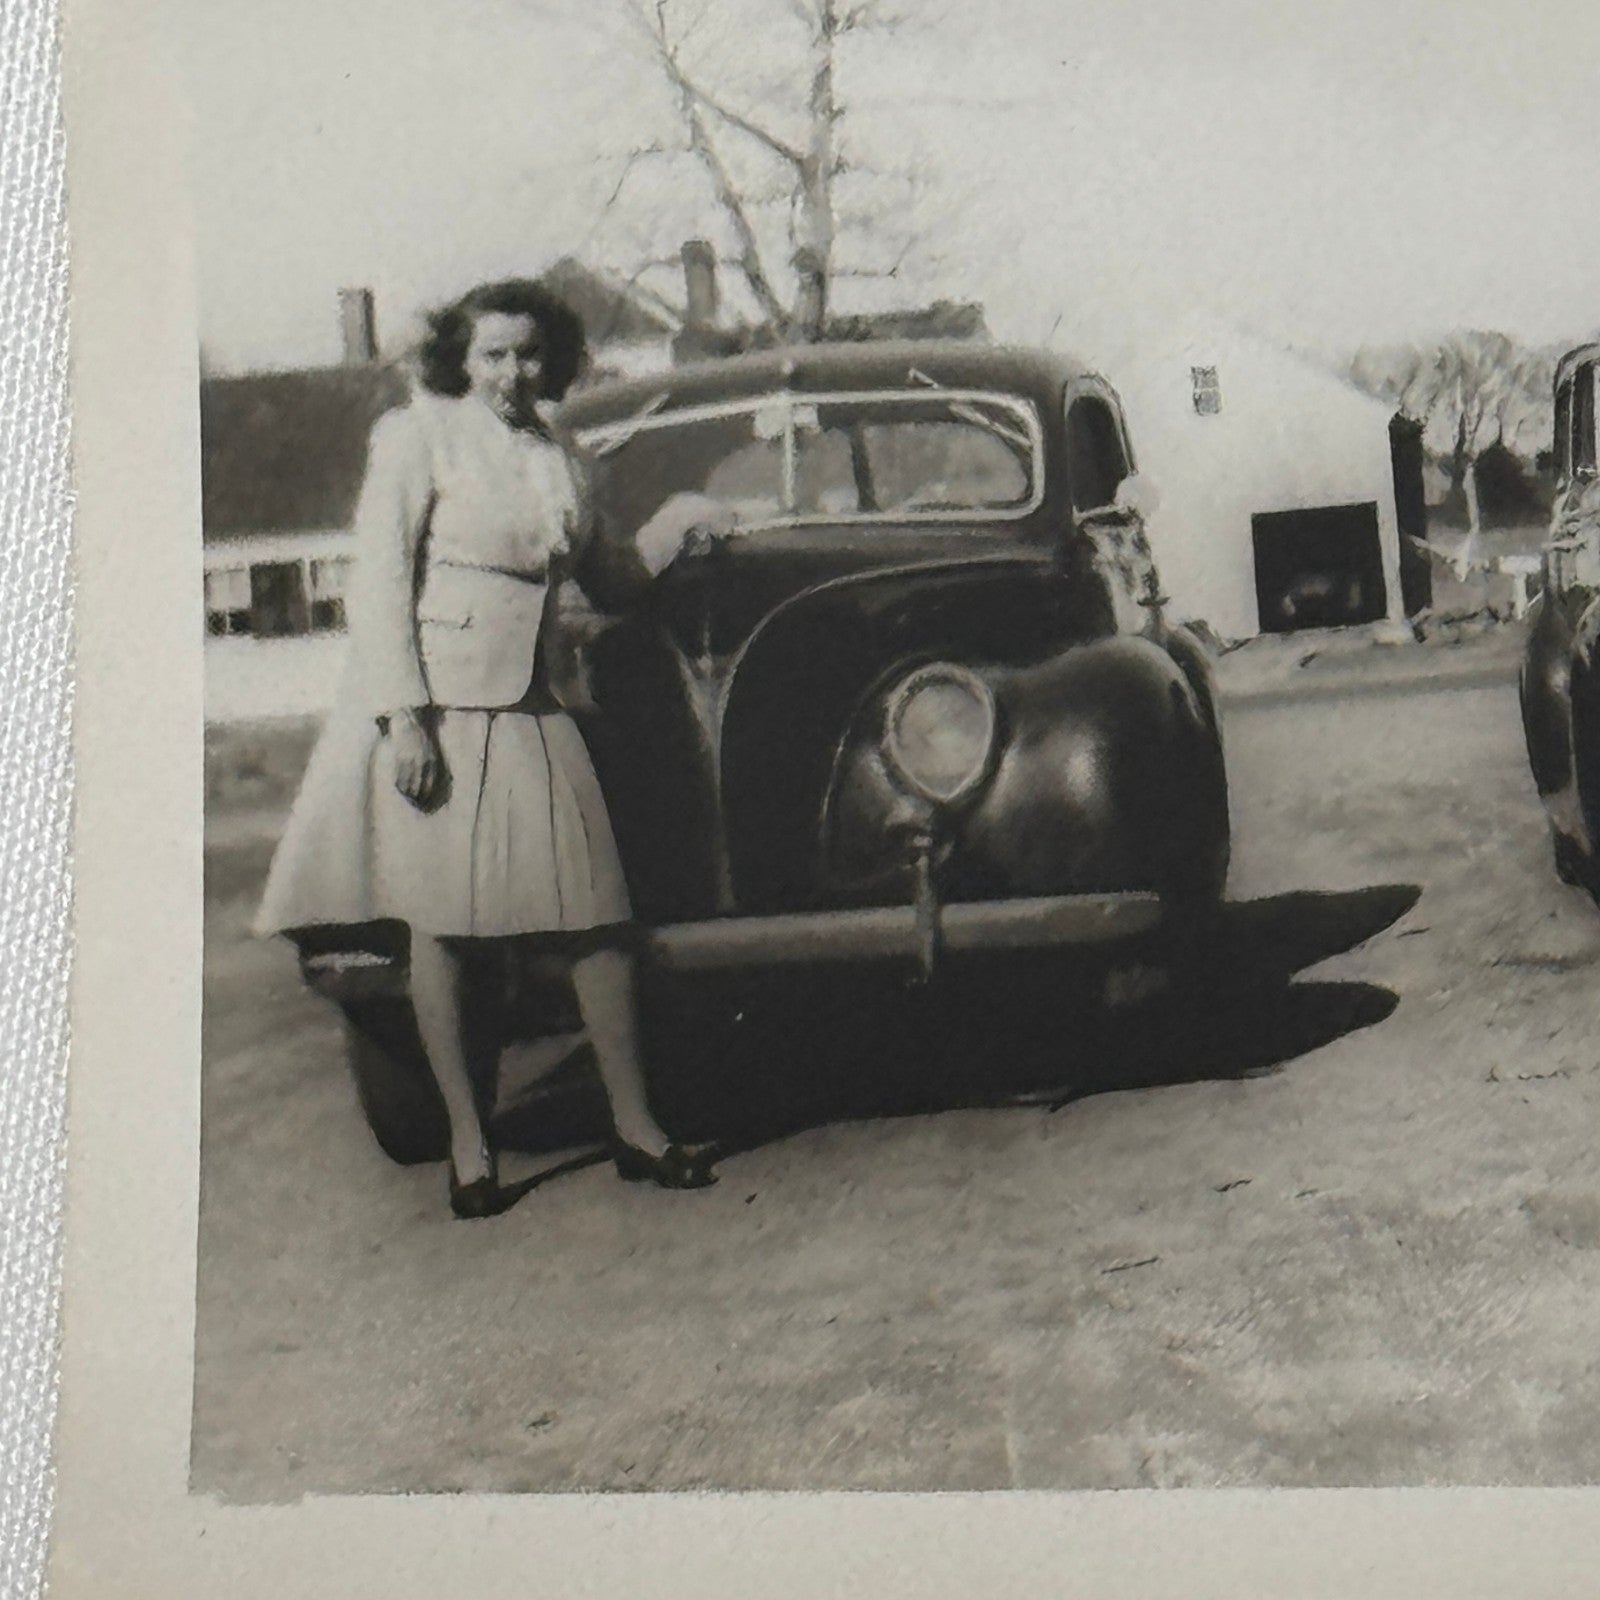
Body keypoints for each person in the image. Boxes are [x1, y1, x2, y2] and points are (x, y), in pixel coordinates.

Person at [255, 278, 724, 1216]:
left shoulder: (562, 454)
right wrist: (404, 721)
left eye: (528, 353)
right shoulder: (417, 437)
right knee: (449, 929)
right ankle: (471, 1148)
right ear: (460, 363)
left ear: (551, 358)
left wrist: (678, 526)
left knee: (597, 918)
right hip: (442, 710)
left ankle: (637, 1127)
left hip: (536, 703)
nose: (514, 371)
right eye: (493, 355)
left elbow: (616, 577)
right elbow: (379, 584)